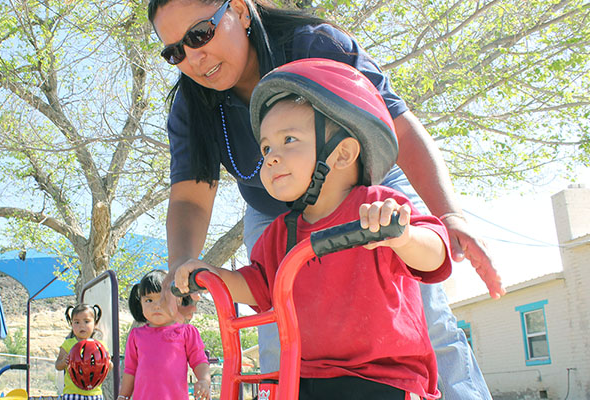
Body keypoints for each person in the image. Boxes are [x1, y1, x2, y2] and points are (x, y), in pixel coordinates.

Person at [148, 0, 504, 398]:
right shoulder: (191, 106)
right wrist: (182, 267)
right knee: (277, 331)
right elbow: (191, 197)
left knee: (426, 317)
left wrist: (449, 216)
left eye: (200, 34)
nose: (194, 57)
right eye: (175, 51)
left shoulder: (313, 44)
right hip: (276, 213)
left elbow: (400, 129)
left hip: (365, 195)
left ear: (241, 12)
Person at [174, 58, 452, 399]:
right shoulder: (280, 232)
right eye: (266, 148)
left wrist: (404, 236)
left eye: (289, 140)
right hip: (305, 376)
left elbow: (435, 255)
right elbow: (260, 286)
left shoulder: (379, 206)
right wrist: (210, 273)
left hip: (384, 378)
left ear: (342, 153)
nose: (271, 157)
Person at [118, 269, 211, 400]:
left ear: (178, 300)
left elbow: (199, 361)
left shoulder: (186, 333)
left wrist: (204, 381)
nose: (156, 306)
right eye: (149, 300)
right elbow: (130, 370)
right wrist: (123, 396)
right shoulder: (136, 335)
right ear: (140, 303)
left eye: (163, 299)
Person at [55, 304, 112, 400]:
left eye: (86, 321)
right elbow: (57, 366)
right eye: (77, 322)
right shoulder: (68, 344)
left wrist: (108, 363)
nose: (82, 326)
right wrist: (63, 362)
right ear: (71, 324)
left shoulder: (100, 346)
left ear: (95, 323)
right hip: (72, 393)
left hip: (95, 394)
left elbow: (109, 367)